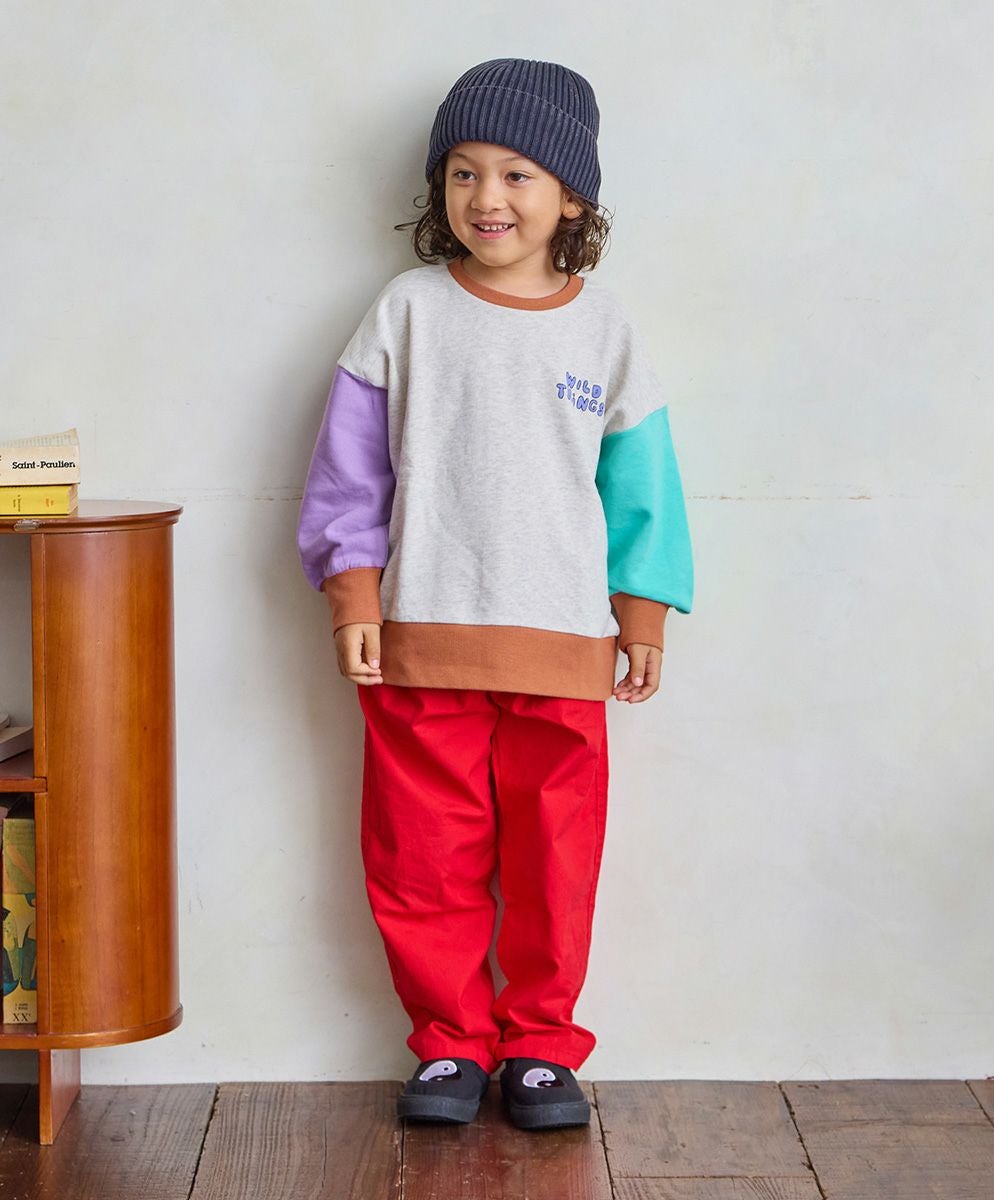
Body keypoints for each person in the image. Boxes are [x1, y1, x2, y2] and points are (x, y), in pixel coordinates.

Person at [297, 57, 694, 1130]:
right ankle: (448, 1046)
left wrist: (643, 615)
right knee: (422, 857)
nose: (487, 197)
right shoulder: (405, 311)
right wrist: (354, 595)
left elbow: (643, 489)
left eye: (519, 174)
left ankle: (541, 1048)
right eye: (464, 171)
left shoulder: (605, 329)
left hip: (564, 647)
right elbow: (347, 474)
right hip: (421, 641)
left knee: (556, 861)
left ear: (573, 199)